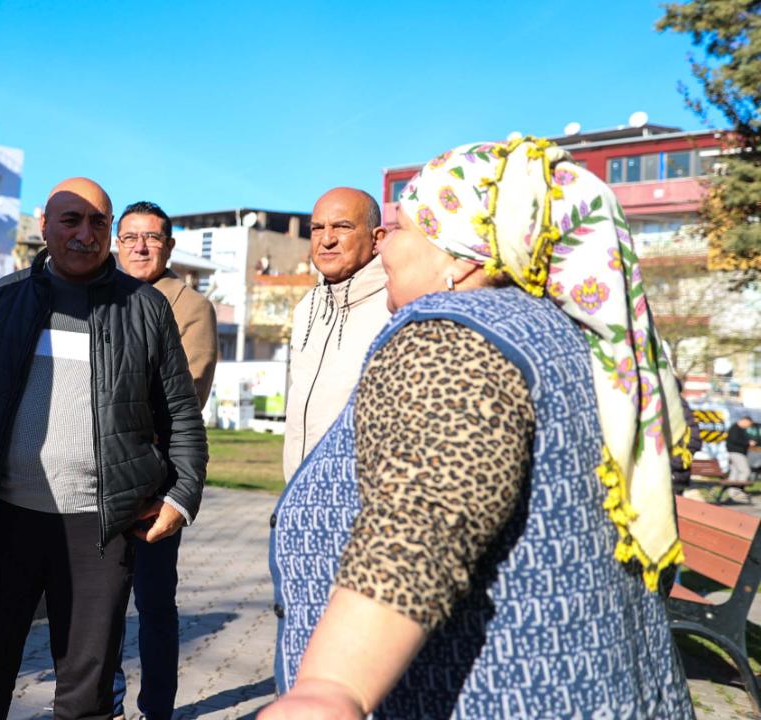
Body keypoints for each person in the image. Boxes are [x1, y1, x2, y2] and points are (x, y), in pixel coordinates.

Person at [264, 137, 694, 719]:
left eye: (405, 226)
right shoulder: (574, 337)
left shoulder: (455, 333)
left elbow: (424, 514)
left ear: (461, 257)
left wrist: (332, 688)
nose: (385, 242)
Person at [0, 178, 208, 719]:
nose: (85, 233)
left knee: (87, 694)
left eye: (98, 222)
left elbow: (181, 413)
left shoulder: (145, 308)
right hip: (3, 522)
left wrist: (182, 495)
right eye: (71, 220)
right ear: (44, 227)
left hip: (98, 530)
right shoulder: (1, 298)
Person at [111, 200, 218, 720]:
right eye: (129, 236)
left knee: (153, 607)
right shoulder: (95, 290)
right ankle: (100, 706)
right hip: (89, 483)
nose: (139, 246)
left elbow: (184, 398)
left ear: (169, 246)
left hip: (153, 485)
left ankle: (157, 710)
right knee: (98, 609)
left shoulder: (189, 307)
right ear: (116, 241)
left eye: (151, 237)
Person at [282, 188, 391, 481]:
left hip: (364, 503)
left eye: (342, 227)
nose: (327, 239)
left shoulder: (396, 306)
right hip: (298, 492)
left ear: (376, 238)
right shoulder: (306, 308)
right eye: (318, 228)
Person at [726, 416, 755, 492]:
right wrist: (748, 443)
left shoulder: (739, 429)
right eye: (749, 424)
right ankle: (738, 491)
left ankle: (732, 492)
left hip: (735, 452)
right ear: (745, 421)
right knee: (745, 471)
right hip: (736, 452)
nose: (749, 426)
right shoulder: (735, 428)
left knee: (735, 471)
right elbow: (735, 440)